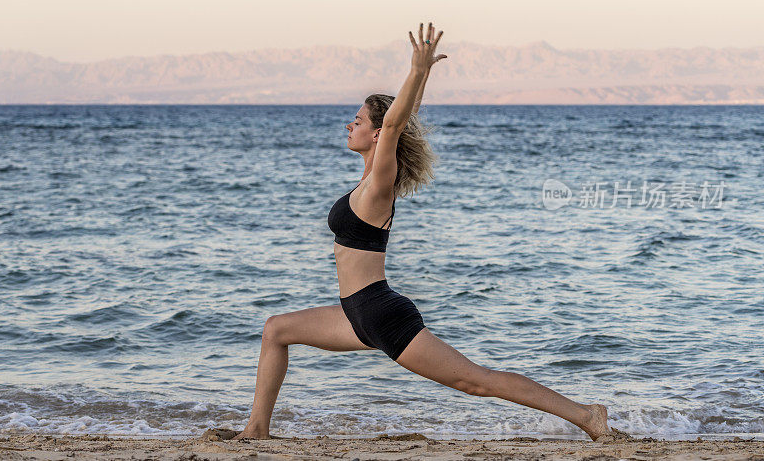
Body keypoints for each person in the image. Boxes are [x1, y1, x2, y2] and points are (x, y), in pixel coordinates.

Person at [230, 22, 616, 442]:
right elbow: (401, 120)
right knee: (276, 330)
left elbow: (396, 125)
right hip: (355, 315)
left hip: (380, 313)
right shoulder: (365, 183)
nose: (348, 125)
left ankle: (586, 415)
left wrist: (416, 71)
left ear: (376, 133)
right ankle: (256, 429)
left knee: (476, 381)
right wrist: (424, 75)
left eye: (357, 120)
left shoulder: (379, 183)